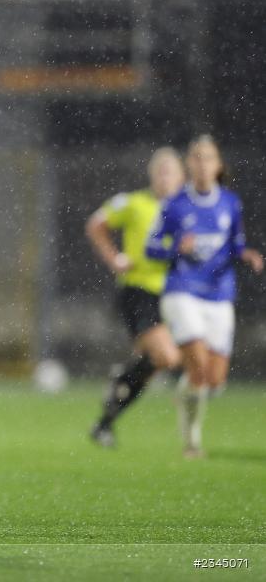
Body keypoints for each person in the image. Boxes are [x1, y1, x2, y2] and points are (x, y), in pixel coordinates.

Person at [146, 135, 263, 458]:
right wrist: (175, 248)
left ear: (218, 165)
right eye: (196, 157)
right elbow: (151, 248)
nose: (202, 164)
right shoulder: (174, 204)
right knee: (197, 363)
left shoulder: (230, 203)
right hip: (182, 291)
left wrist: (246, 254)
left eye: (208, 157)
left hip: (219, 294)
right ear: (189, 164)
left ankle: (186, 392)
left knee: (213, 380)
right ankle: (192, 441)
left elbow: (235, 243)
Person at [86, 148, 185, 447]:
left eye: (170, 172)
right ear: (152, 175)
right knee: (167, 357)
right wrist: (114, 258)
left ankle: (104, 423)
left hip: (175, 295)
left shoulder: (186, 209)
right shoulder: (134, 202)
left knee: (151, 366)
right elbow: (96, 224)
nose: (165, 178)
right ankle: (119, 382)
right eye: (160, 172)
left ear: (181, 177)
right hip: (139, 291)